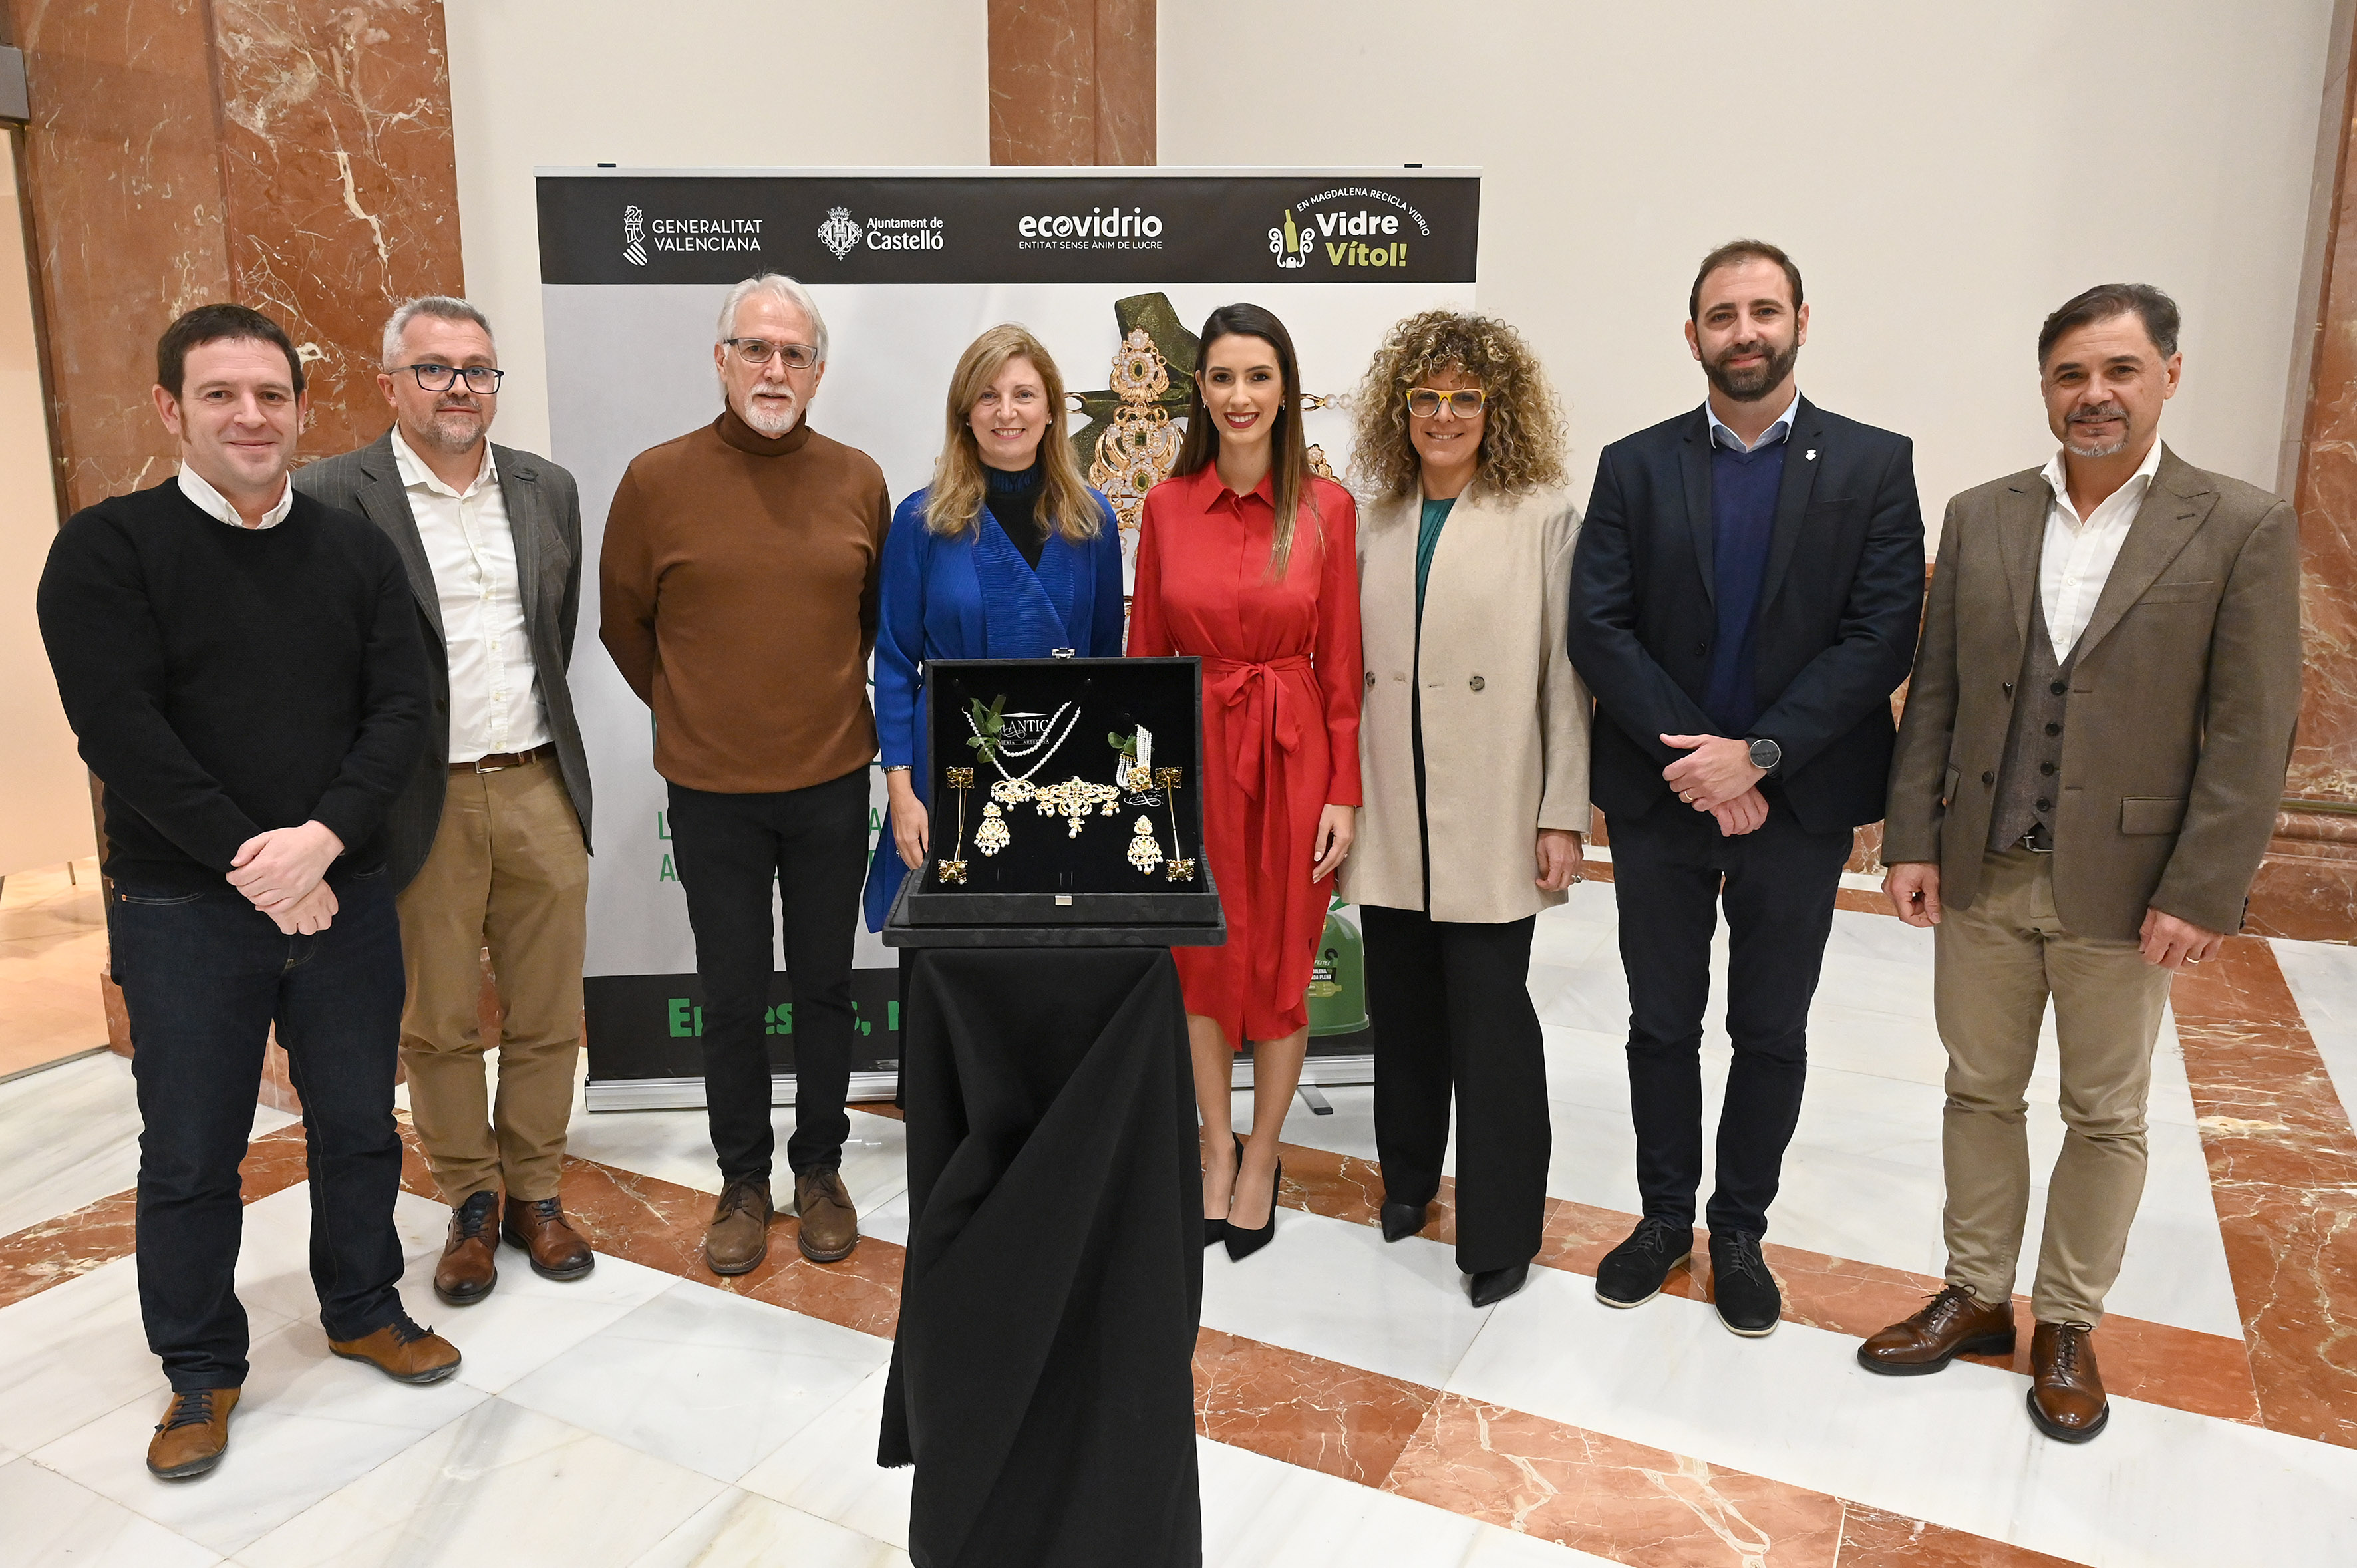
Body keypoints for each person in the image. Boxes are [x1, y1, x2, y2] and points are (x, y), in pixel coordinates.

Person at [1863, 284, 2300, 1441]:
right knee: (1974, 1086)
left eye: (2116, 371)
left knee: (2103, 1112)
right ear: (2044, 387)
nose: (2091, 395)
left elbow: (2253, 731)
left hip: (2128, 883)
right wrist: (1910, 834)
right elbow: (1937, 693)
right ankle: (1972, 1294)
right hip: (1983, 866)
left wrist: (2201, 888)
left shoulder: (2237, 524)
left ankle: (2065, 1318)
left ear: (2167, 373)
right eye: (2068, 374)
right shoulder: (1982, 513)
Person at [37, 303, 451, 1483]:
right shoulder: (107, 551)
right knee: (191, 1151)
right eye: (220, 394)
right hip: (185, 912)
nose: (250, 416)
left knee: (361, 1125)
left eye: (271, 394)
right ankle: (201, 1370)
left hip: (344, 892)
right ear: (171, 408)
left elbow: (400, 712)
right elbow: (122, 731)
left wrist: (319, 843)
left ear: (304, 408)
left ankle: (364, 1304)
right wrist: (256, 865)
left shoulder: (353, 549)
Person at [1567, 240, 1925, 1336]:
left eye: (1762, 310)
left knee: (1770, 1027)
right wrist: (1703, 763)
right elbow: (1597, 624)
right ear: (1691, 336)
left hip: (1797, 802)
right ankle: (1662, 1218)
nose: (1743, 331)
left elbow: (1878, 637)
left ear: (1800, 322)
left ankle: (1739, 1229)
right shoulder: (1632, 466)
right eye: (1720, 314)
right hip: (1660, 797)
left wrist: (1757, 754)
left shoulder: (1871, 464)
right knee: (1659, 1022)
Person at [295, 296, 595, 1307]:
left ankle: (537, 1193)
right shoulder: (333, 493)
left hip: (539, 781)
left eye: (477, 368)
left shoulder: (547, 489)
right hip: (414, 797)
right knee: (437, 1021)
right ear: (389, 383)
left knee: (551, 1011)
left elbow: (556, 630)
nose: (459, 386)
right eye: (433, 369)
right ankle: (471, 1199)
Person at [601, 273, 890, 1275]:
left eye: (795, 353)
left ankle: (818, 1168)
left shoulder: (857, 479)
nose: (775, 370)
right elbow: (622, 624)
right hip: (710, 791)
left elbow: (868, 626)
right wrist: (695, 713)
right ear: (720, 358)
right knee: (729, 993)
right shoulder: (654, 480)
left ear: (818, 370)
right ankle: (742, 1177)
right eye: (756, 350)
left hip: (827, 781)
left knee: (822, 987)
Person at [1344, 310, 1592, 1309]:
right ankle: (1406, 1180)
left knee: (1490, 1024)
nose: (1442, 416)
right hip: (1392, 804)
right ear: (1398, 410)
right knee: (1399, 1013)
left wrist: (1560, 811)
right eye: (1424, 398)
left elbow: (1564, 678)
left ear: (1497, 409)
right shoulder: (1372, 516)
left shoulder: (1539, 515)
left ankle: (1499, 1228)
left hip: (1491, 800)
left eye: (1463, 398)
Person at [1127, 303, 1362, 1263]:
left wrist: (1342, 791)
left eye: (1256, 377)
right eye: (1221, 377)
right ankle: (1211, 1143)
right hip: (1191, 760)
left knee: (1279, 957)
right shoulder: (1164, 507)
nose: (1238, 397)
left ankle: (1262, 1151)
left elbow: (1343, 665)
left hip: (1295, 755)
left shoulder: (1327, 508)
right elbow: (1143, 658)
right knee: (1202, 958)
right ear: (1198, 390)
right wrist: (1141, 790)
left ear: (1284, 389)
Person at [864, 323, 1126, 937]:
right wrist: (901, 794)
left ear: (1052, 410)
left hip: (1062, 773)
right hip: (946, 775)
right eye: (987, 395)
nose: (1006, 412)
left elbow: (1105, 661)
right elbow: (897, 665)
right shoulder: (920, 520)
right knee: (953, 955)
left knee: (1048, 953)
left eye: (1023, 394)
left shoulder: (1094, 520)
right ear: (965, 414)